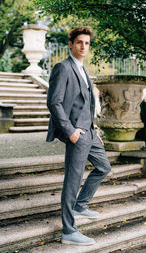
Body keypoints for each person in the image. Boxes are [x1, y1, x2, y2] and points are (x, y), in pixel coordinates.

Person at [46, 26, 111, 246]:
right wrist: (70, 131)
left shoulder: (82, 69)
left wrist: (94, 130)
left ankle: (80, 205)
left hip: (89, 132)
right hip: (76, 133)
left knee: (104, 167)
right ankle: (68, 230)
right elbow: (54, 102)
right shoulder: (63, 68)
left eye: (87, 43)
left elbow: (85, 104)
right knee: (72, 181)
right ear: (71, 44)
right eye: (79, 42)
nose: (83, 46)